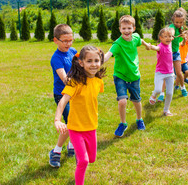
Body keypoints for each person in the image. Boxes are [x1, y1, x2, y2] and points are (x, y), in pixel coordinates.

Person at [54, 45, 106, 185]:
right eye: (89, 61)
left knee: (92, 159)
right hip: (75, 128)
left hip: (91, 126)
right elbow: (63, 101)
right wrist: (58, 120)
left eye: (97, 60)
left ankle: (80, 156)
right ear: (81, 63)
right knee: (83, 161)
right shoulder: (74, 82)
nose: (94, 64)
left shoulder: (98, 81)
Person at [104, 15, 150, 137]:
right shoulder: (117, 44)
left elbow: (141, 40)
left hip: (134, 76)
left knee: (136, 100)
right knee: (122, 101)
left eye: (129, 28)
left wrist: (147, 45)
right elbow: (108, 55)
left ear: (134, 28)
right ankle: (123, 123)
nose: (126, 31)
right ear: (120, 29)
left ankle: (139, 119)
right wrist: (97, 62)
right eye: (124, 28)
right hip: (120, 76)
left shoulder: (135, 38)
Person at [49, 24, 77, 168]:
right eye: (65, 41)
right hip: (62, 94)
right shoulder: (56, 58)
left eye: (71, 40)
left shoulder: (73, 51)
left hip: (75, 93)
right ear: (56, 40)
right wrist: (78, 81)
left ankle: (71, 146)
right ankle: (56, 151)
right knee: (70, 122)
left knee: (74, 120)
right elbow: (65, 79)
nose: (68, 44)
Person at [157, 29, 188, 102]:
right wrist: (184, 39)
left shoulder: (186, 43)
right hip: (172, 62)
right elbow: (182, 43)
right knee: (173, 75)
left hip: (182, 61)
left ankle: (182, 82)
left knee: (183, 73)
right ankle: (171, 88)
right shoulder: (181, 43)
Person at [147, 27, 175, 116]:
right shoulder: (160, 47)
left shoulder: (170, 43)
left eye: (170, 36)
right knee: (159, 89)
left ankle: (166, 110)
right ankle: (154, 95)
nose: (168, 38)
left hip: (170, 73)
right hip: (160, 73)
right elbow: (156, 48)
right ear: (160, 38)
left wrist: (174, 33)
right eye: (165, 36)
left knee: (170, 93)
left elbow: (172, 33)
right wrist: (151, 47)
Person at [169, 8, 188, 97]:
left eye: (180, 22)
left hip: (176, 53)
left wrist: (184, 38)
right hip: (168, 53)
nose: (178, 24)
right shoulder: (172, 27)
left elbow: (181, 42)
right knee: (168, 73)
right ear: (173, 20)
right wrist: (171, 35)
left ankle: (182, 87)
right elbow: (171, 30)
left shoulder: (180, 28)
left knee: (179, 72)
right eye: (177, 22)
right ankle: (162, 91)